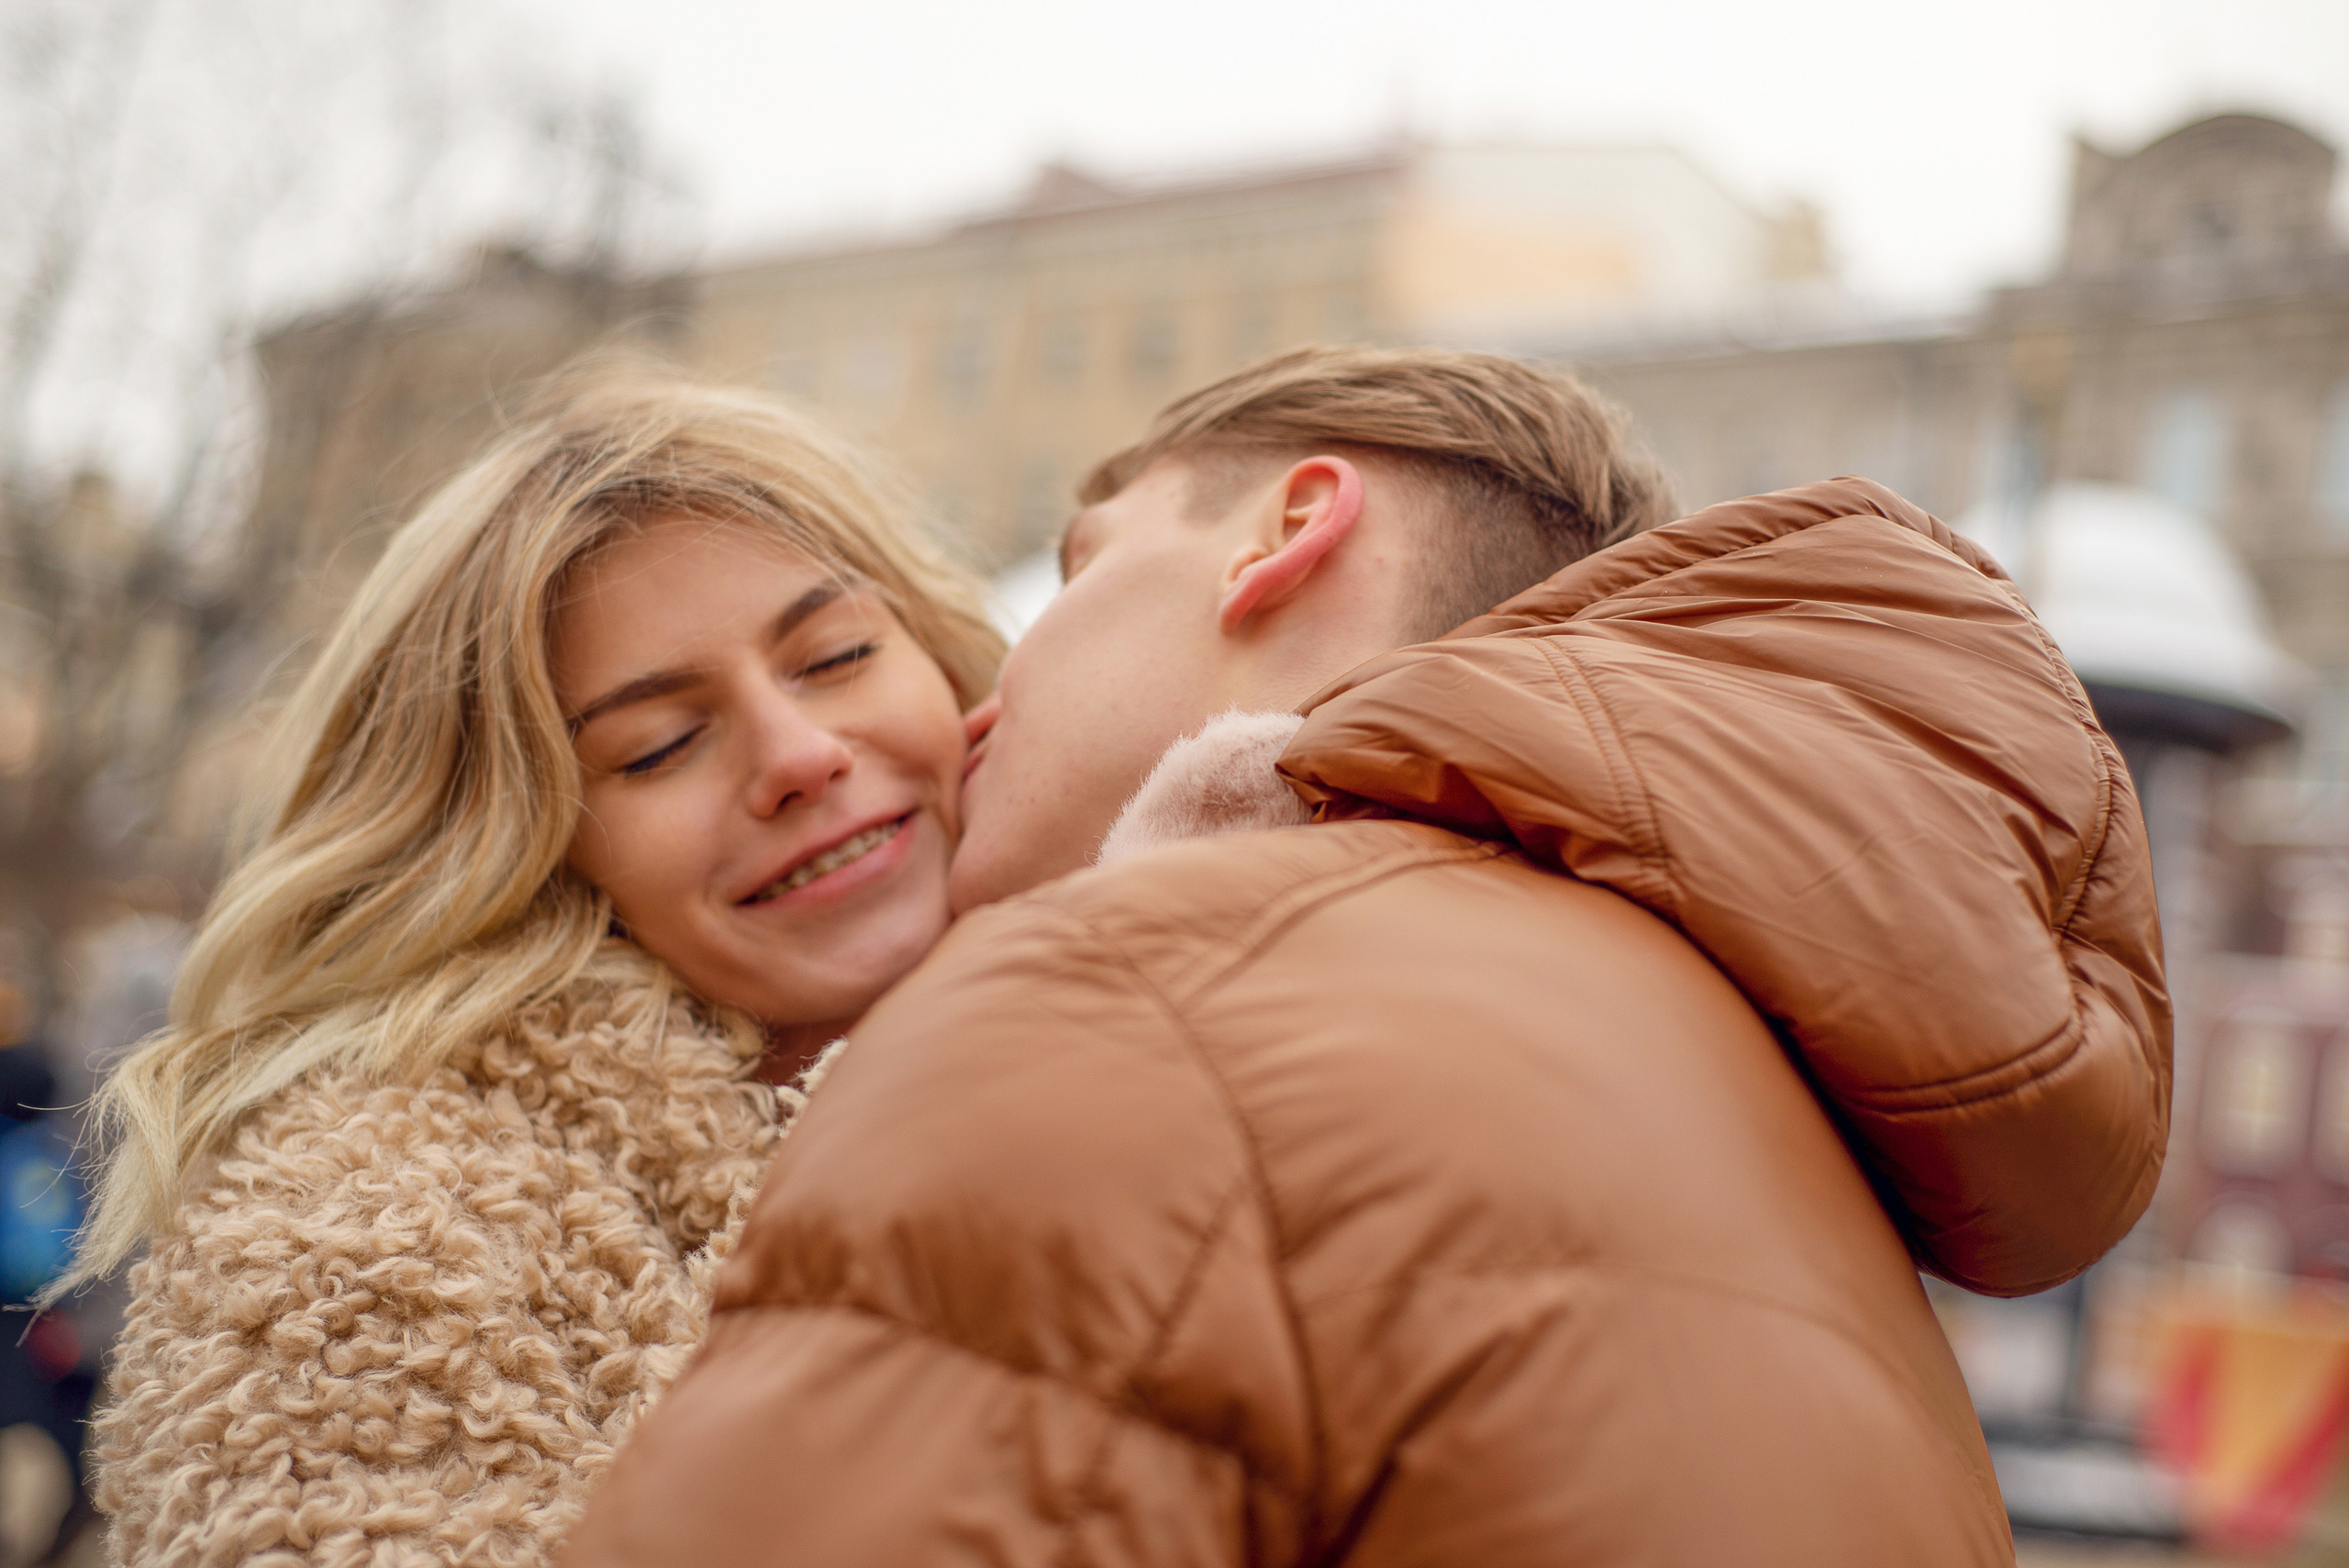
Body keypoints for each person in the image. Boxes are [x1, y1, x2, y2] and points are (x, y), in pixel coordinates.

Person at [567, 346, 2171, 1565]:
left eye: (1075, 570)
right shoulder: (1730, 1067)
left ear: (1291, 527)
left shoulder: (1152, 1005)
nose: (984, 700)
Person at [73, 372, 1003, 1566]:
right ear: (520, 846)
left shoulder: (1184, 1003)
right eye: (659, 746)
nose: (801, 754)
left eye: (835, 655)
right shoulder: (356, 1242)